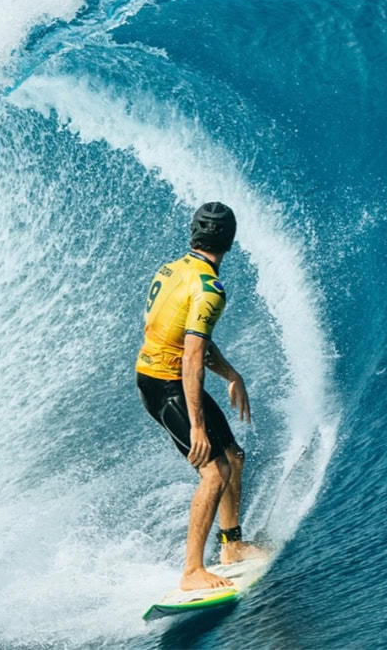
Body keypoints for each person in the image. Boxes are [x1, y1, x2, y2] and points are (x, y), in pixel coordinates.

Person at [136, 201, 261, 591]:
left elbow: (193, 339)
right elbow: (191, 357)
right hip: (165, 384)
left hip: (163, 375)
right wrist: (199, 427)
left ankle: (232, 546)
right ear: (230, 241)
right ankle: (192, 570)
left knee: (234, 458)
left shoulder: (173, 268)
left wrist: (231, 374)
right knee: (214, 471)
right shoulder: (210, 288)